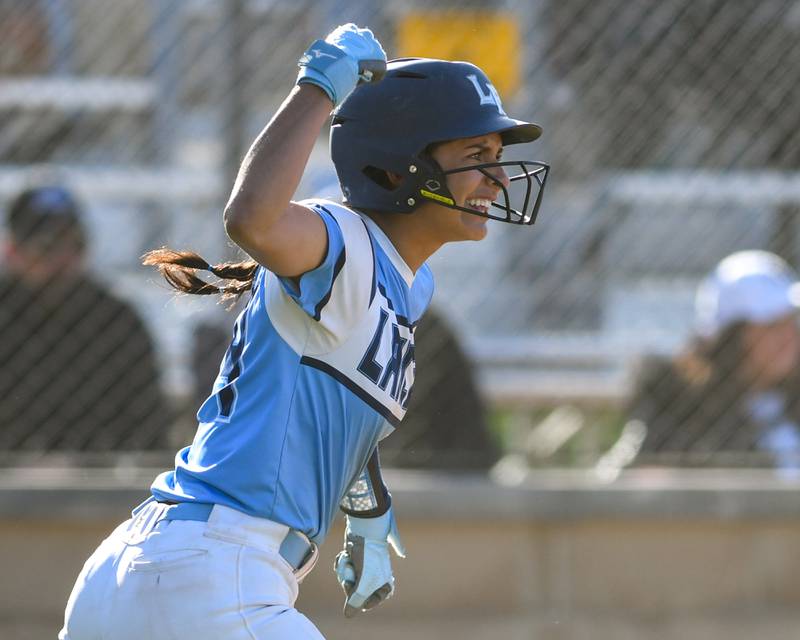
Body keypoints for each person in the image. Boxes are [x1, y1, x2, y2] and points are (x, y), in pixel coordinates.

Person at [59, 23, 549, 639]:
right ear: (397, 170)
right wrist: (318, 86)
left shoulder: (401, 281)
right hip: (212, 575)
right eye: (475, 157)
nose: (498, 177)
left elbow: (328, 393)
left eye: (496, 157)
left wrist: (364, 503)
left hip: (150, 569)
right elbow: (252, 220)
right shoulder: (343, 238)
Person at [0, 184, 170, 451]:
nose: (60, 258)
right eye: (43, 247)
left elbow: (148, 420)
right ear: (12, 250)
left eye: (73, 245)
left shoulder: (114, 318)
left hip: (97, 473)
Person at [627, 250, 800, 471]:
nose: (787, 338)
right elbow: (643, 483)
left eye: (790, 322)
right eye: (770, 326)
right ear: (731, 337)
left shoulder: (792, 403)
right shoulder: (683, 411)